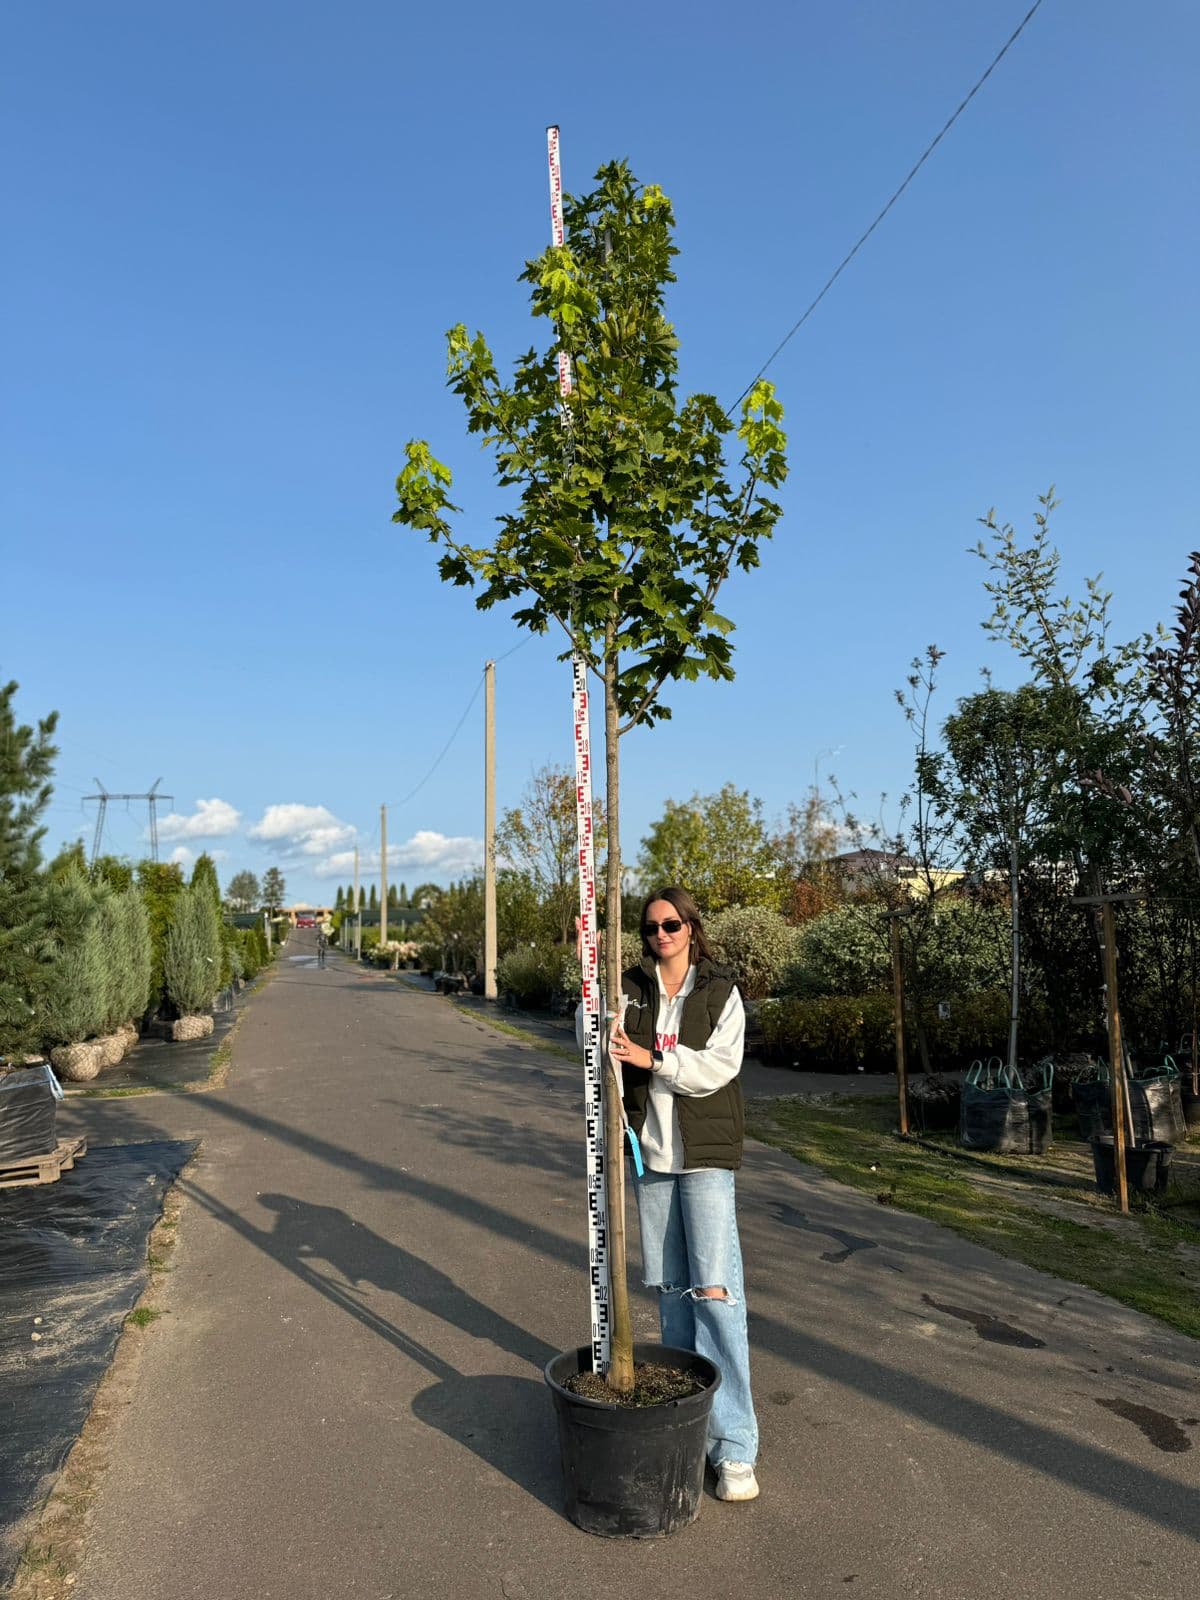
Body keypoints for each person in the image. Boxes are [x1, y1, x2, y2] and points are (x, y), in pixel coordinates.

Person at [581, 885, 760, 1503]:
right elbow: (593, 1037)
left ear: (692, 928)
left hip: (705, 1157)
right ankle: (688, 1421)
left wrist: (653, 1056)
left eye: (673, 925)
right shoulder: (628, 989)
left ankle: (734, 1446)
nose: (662, 935)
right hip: (650, 1157)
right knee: (673, 1290)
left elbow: (718, 1068)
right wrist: (593, 989)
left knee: (715, 1289)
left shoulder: (720, 991)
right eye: (652, 926)